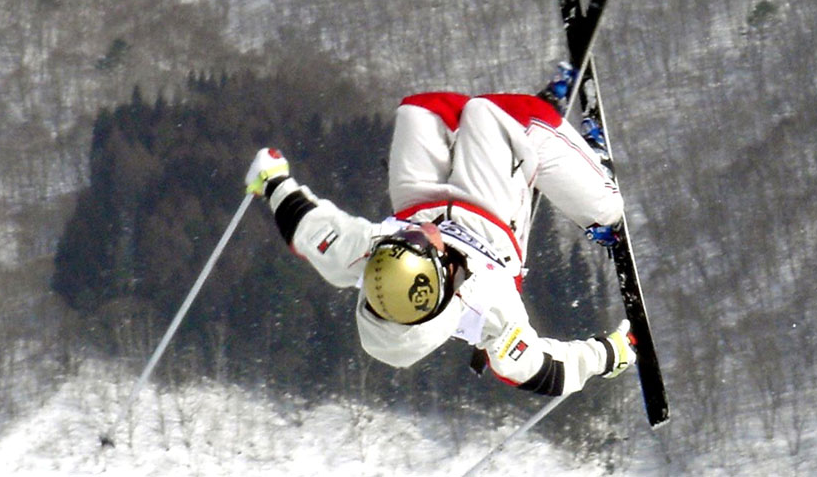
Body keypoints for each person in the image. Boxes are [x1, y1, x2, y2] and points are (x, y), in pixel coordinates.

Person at [243, 69, 636, 397]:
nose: (418, 236)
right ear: (440, 281)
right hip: (491, 219)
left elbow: (310, 230)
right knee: (492, 114)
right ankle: (597, 196)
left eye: (401, 244)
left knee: (422, 110)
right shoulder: (488, 308)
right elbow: (540, 370)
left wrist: (272, 181)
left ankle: (516, 137)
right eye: (419, 246)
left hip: (425, 203)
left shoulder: (377, 260)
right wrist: (609, 353)